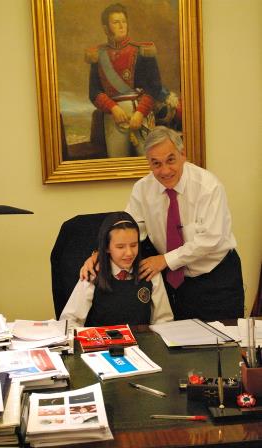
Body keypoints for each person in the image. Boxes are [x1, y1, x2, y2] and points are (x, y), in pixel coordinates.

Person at [80, 126, 244, 321]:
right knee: (177, 344)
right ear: (148, 162)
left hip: (216, 279)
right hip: (175, 286)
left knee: (223, 345)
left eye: (171, 160)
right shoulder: (143, 189)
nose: (165, 170)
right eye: (156, 163)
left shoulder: (208, 187)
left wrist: (164, 260)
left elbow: (210, 240)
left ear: (183, 155)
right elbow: (127, 230)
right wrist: (99, 253)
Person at [60, 211, 173, 327]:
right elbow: (70, 321)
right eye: (120, 247)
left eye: (134, 245)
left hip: (142, 342)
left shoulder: (149, 272)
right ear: (107, 247)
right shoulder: (93, 273)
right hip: (102, 342)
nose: (129, 253)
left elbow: (163, 320)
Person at [85, 3, 162, 158]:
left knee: (147, 164)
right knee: (117, 164)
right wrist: (113, 108)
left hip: (141, 116)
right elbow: (94, 92)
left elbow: (154, 87)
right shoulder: (98, 55)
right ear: (106, 28)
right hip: (114, 119)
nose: (121, 26)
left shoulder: (142, 52)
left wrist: (140, 113)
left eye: (123, 21)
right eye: (116, 22)